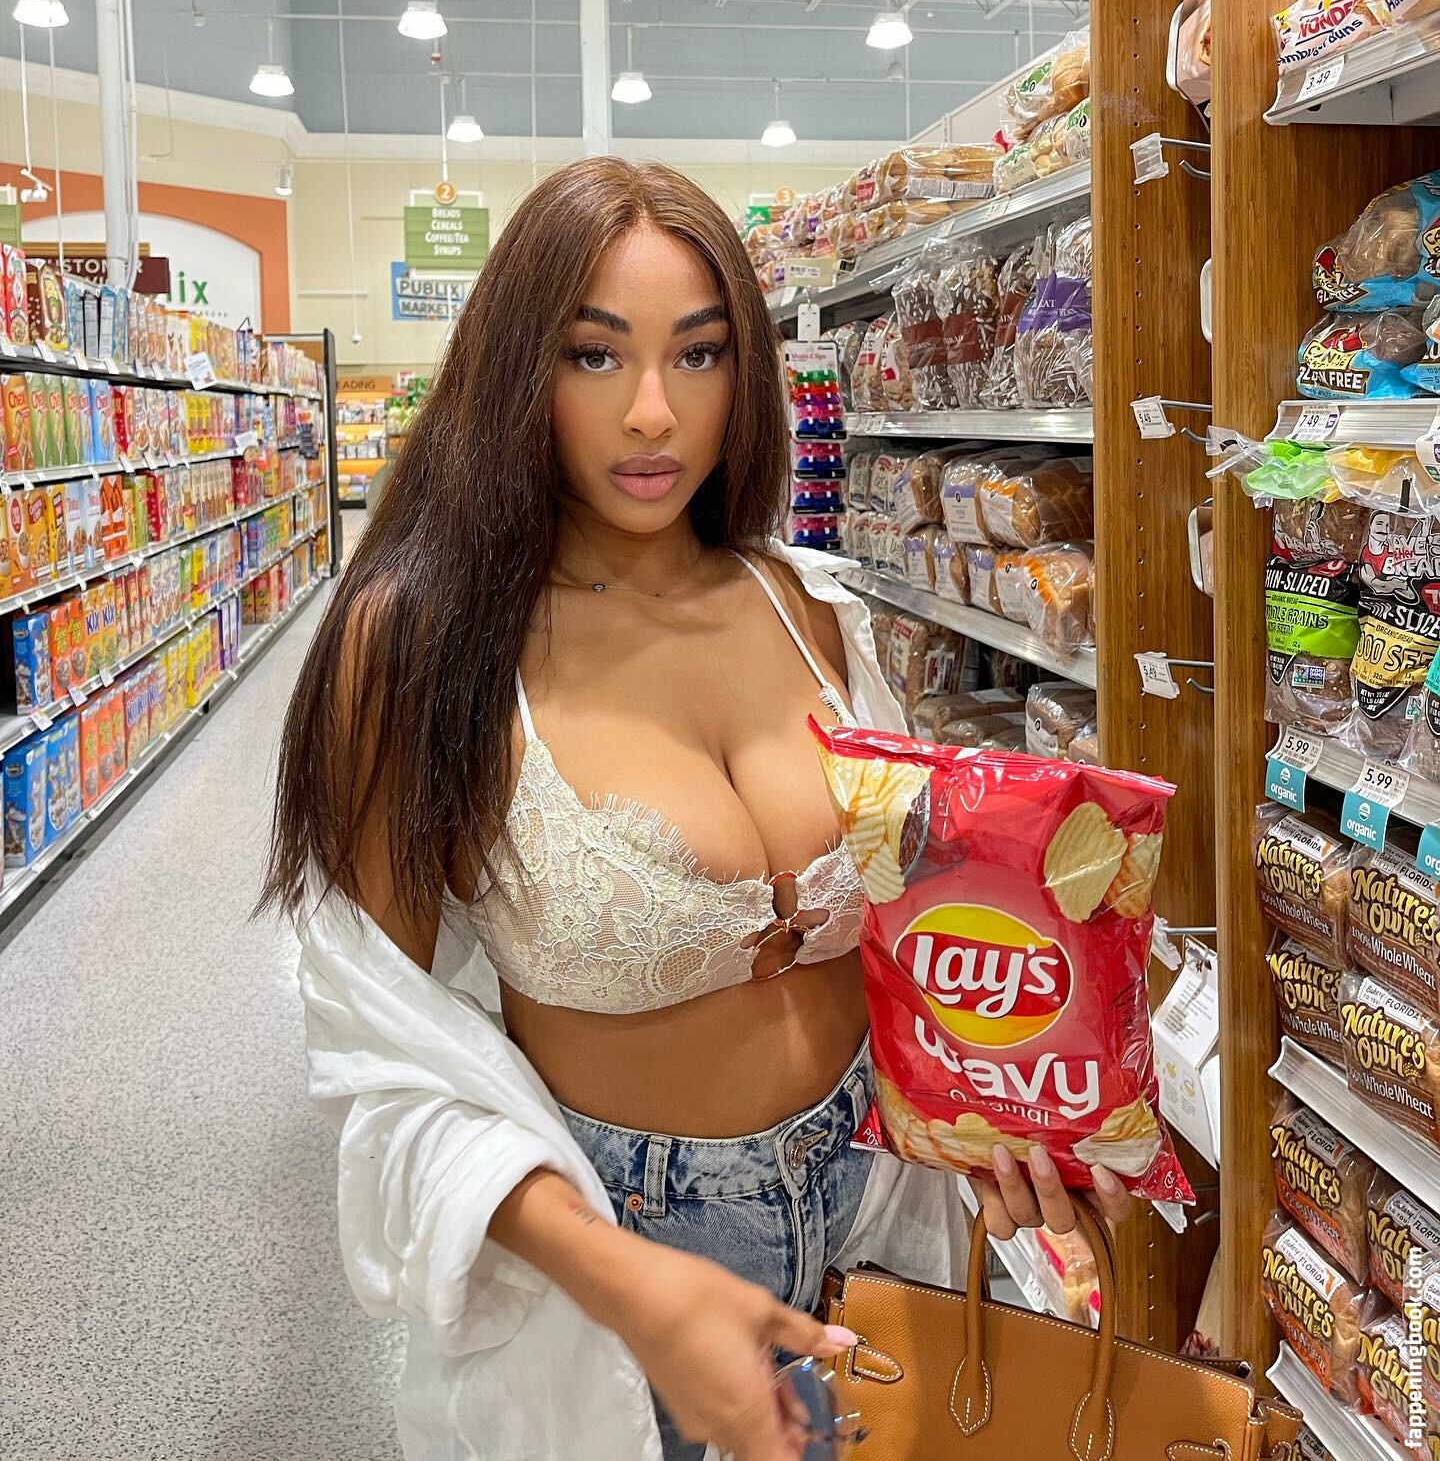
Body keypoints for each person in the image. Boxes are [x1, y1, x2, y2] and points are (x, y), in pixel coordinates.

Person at [259, 158, 1130, 1461]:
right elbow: (378, 1052)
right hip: (615, 1271)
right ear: (517, 371)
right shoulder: (423, 645)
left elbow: (913, 934)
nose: (654, 412)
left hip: (880, 1227)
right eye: (595, 356)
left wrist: (998, 1113)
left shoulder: (811, 609)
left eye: (700, 353)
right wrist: (627, 1282)